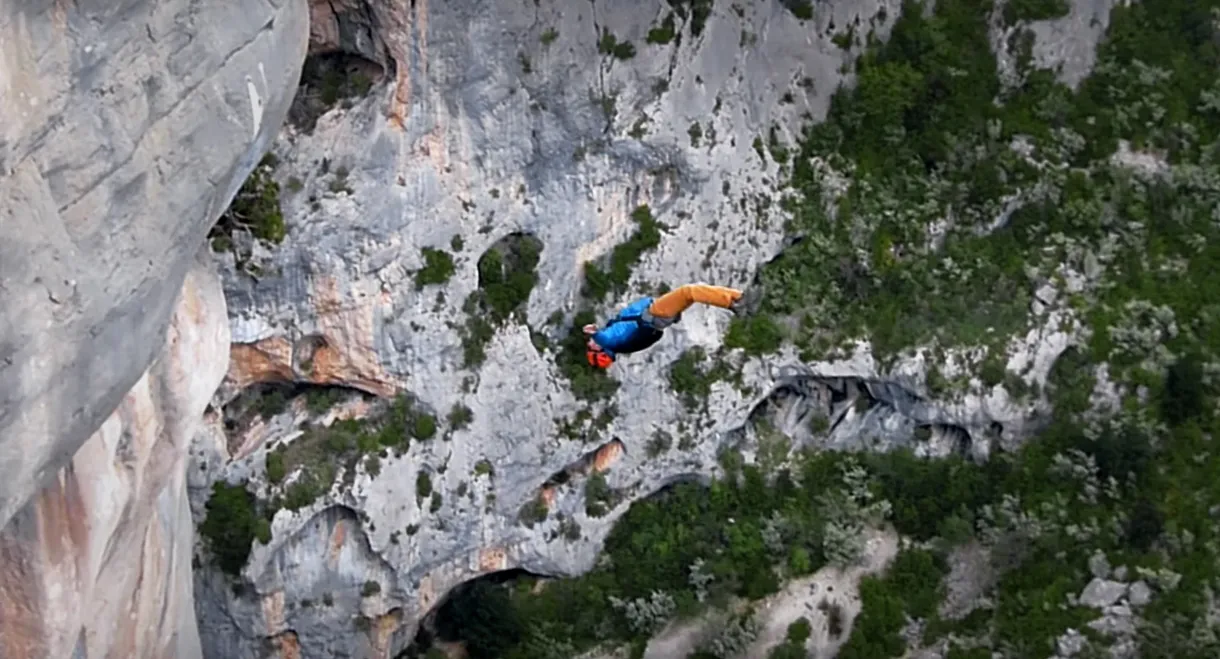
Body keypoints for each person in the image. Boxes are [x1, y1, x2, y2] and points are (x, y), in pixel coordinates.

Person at [584, 283, 744, 369]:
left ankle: (737, 298)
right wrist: (594, 333)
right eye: (591, 346)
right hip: (655, 314)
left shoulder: (619, 342)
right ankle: (735, 302)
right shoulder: (611, 341)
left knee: (690, 294)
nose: (588, 343)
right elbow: (604, 339)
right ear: (600, 349)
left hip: (656, 317)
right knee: (688, 292)